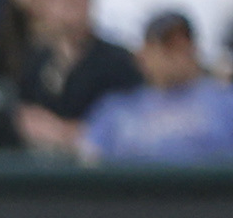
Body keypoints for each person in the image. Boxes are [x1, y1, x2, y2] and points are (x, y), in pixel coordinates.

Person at [84, 13, 233, 163]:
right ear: (144, 55)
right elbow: (89, 161)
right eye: (169, 46)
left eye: (184, 45)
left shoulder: (225, 102)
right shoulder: (117, 109)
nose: (179, 55)